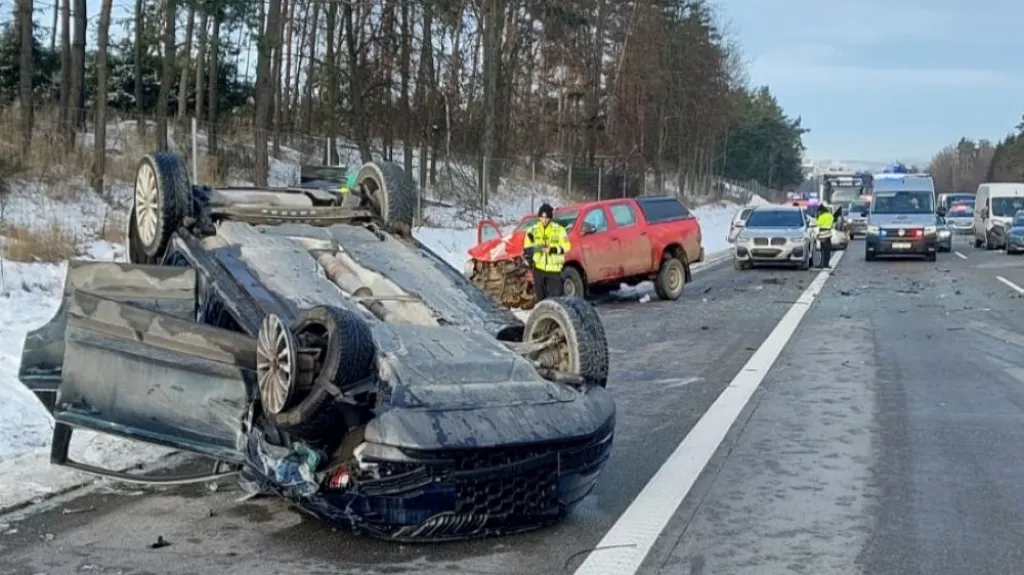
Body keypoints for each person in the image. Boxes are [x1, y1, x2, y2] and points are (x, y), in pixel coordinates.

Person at [523, 203, 571, 301]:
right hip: (539, 270)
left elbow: (567, 247)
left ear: (551, 217)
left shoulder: (559, 230)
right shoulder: (532, 231)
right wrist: (537, 249)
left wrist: (552, 249)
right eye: (542, 217)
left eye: (546, 218)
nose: (544, 220)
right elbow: (527, 248)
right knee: (541, 301)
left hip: (554, 270)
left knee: (556, 301)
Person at [816, 204, 834, 269]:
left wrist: (817, 217)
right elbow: (832, 225)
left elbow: (818, 223)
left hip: (822, 234)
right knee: (828, 250)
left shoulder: (821, 216)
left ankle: (822, 264)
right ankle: (827, 264)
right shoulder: (830, 215)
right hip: (828, 233)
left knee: (822, 250)